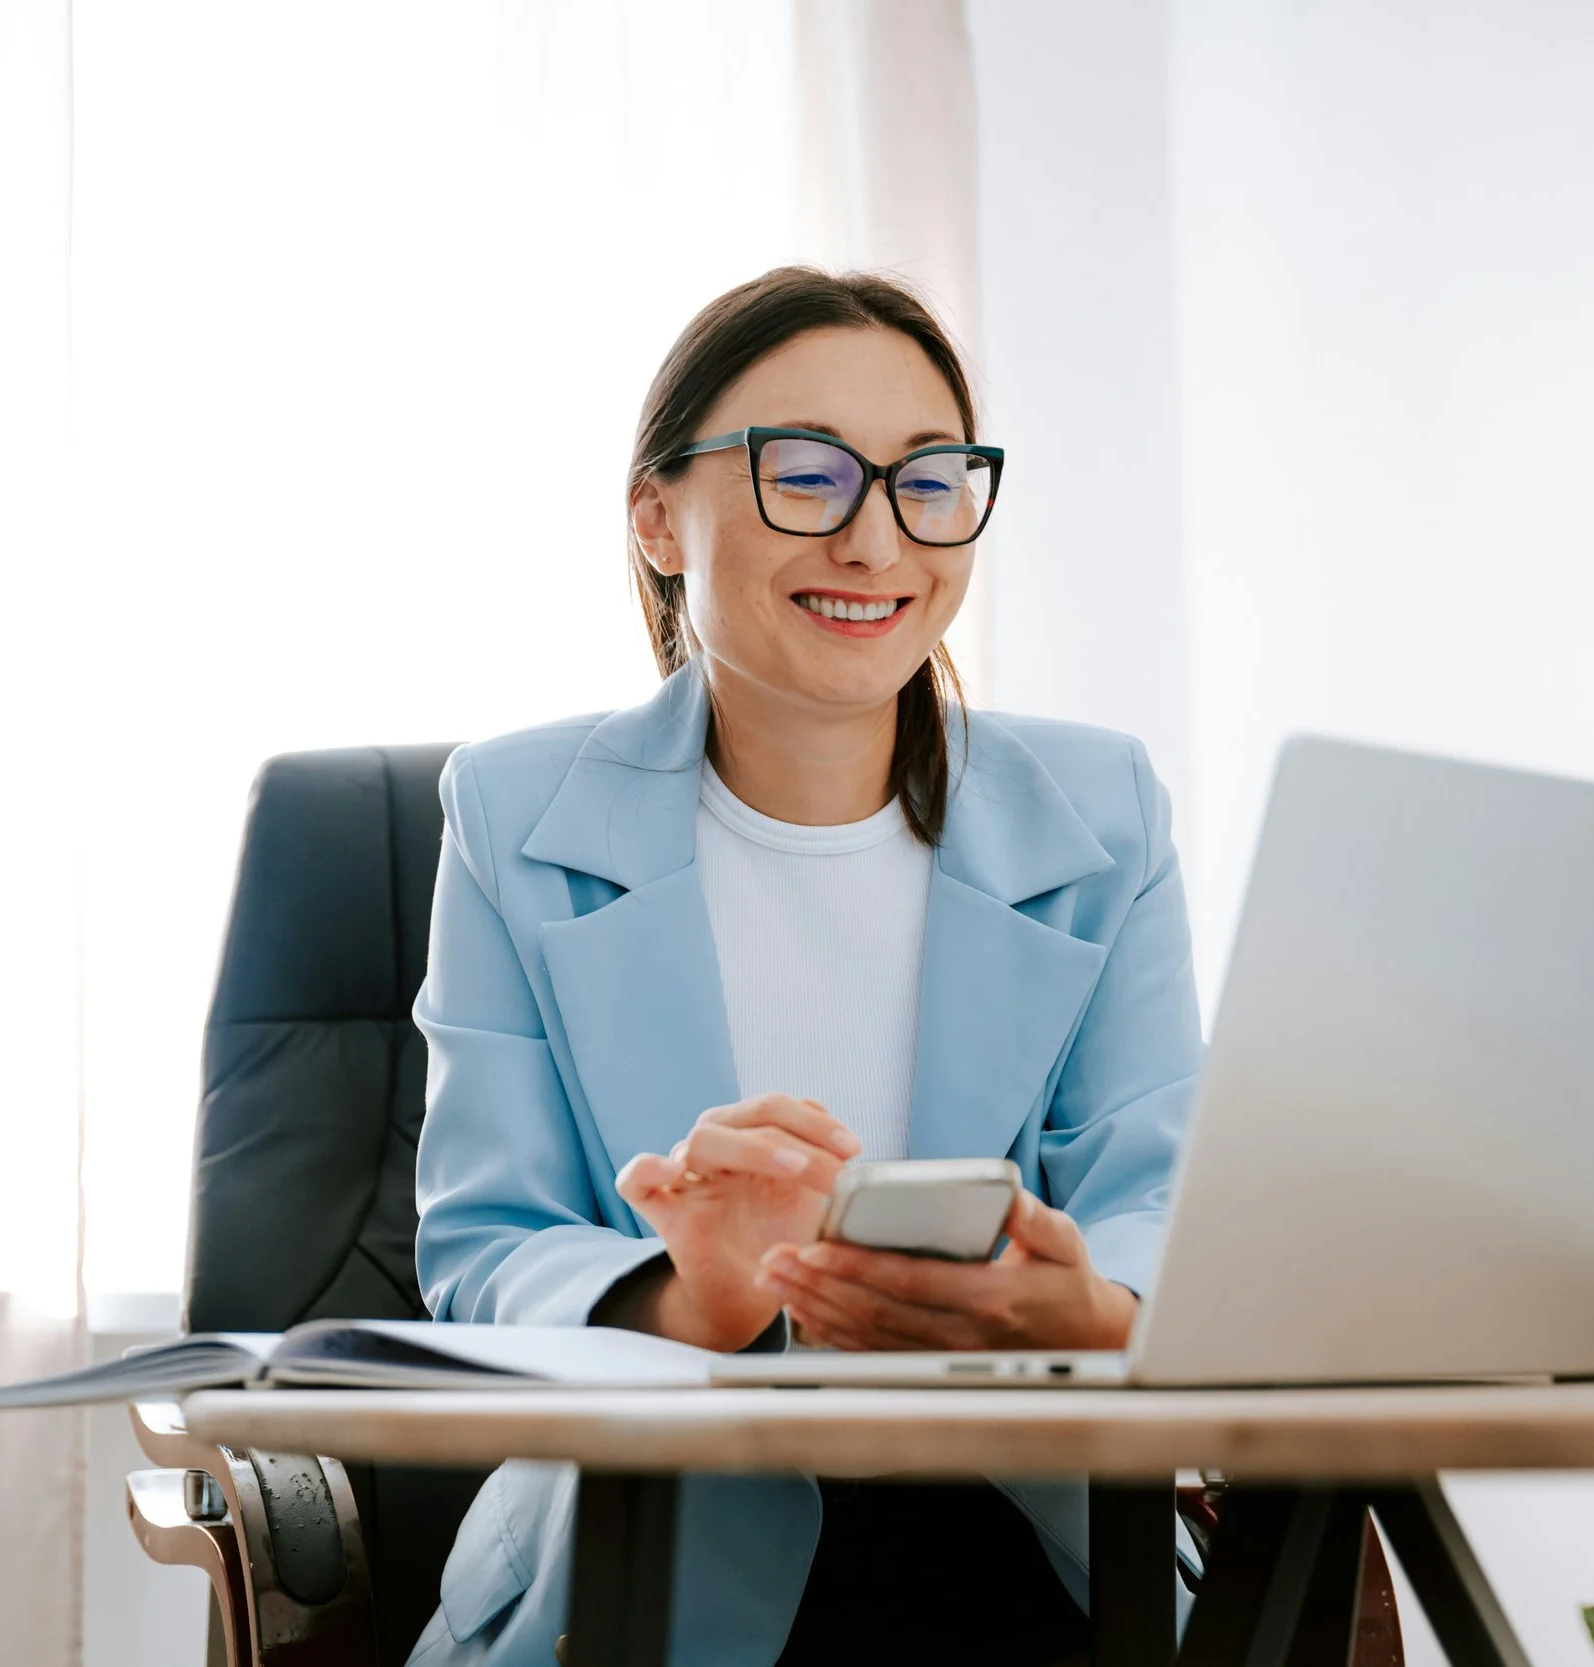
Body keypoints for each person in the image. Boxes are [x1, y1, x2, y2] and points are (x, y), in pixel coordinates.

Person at [405, 267, 1201, 1666]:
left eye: (929, 481)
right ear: (657, 518)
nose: (878, 539)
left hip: (1039, 1544)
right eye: (810, 475)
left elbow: (1159, 1192)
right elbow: (488, 1247)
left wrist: (1083, 1306)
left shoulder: (1104, 813)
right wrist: (692, 1294)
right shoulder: (515, 816)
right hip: (651, 1552)